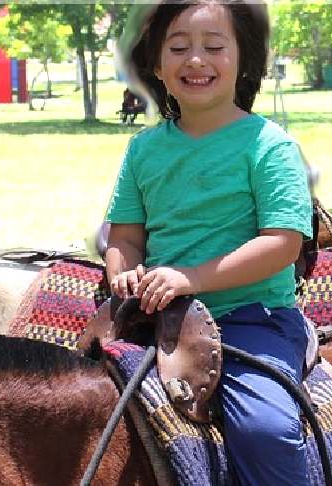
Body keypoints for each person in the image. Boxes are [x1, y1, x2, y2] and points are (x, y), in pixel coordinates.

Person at [104, 1, 312, 484]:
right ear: (157, 65)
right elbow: (126, 237)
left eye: (214, 47)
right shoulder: (144, 149)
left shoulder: (269, 145)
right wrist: (124, 271)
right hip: (159, 317)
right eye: (178, 48)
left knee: (265, 429)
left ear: (243, 60)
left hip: (250, 318)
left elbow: (282, 243)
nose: (195, 60)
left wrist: (189, 277)